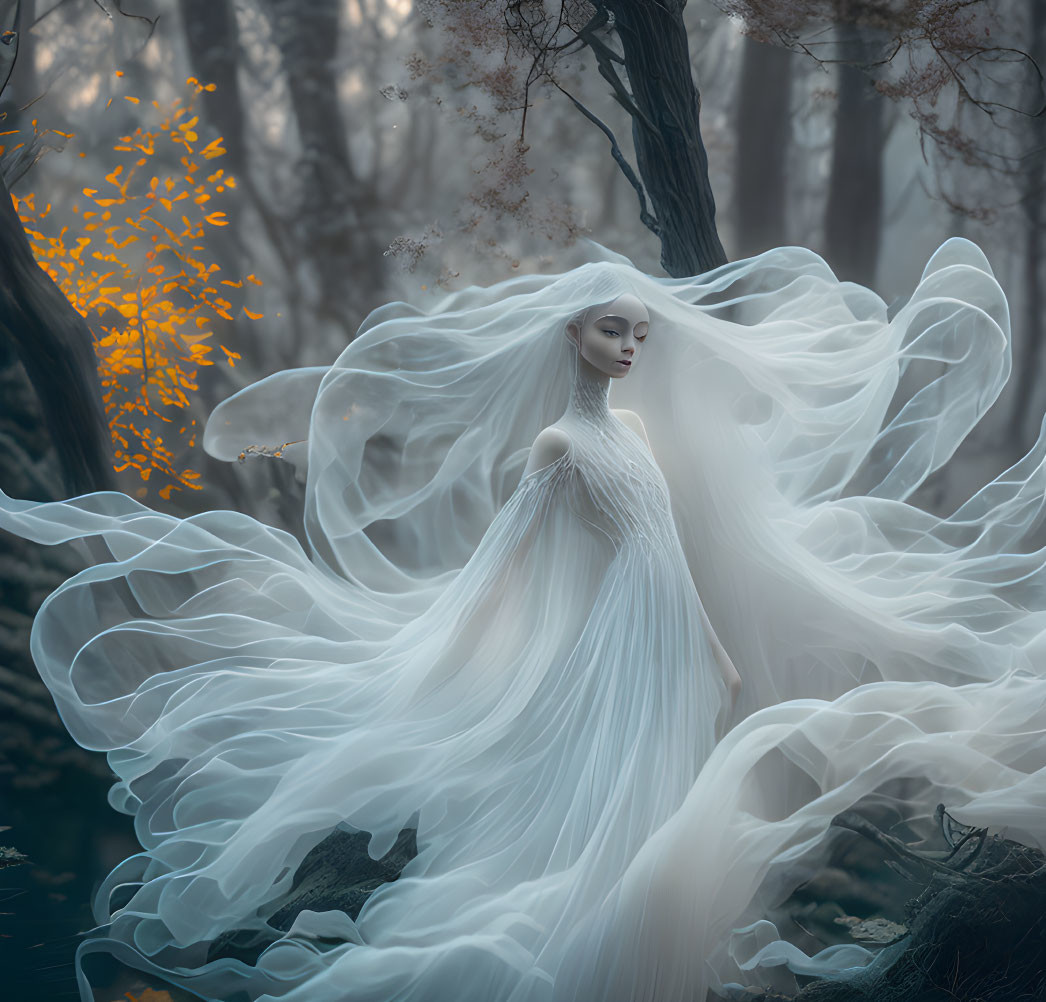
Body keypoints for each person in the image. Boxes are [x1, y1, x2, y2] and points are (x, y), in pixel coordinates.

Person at [1, 239, 1045, 1002]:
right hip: (616, 655)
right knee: (613, 811)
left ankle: (662, 966)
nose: (629, 346)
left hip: (666, 635)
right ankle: (607, 971)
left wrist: (716, 648)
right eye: (609, 330)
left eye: (637, 331)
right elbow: (503, 571)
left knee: (664, 803)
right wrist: (452, 664)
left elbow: (663, 548)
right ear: (566, 334)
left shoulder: (631, 426)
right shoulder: (556, 446)